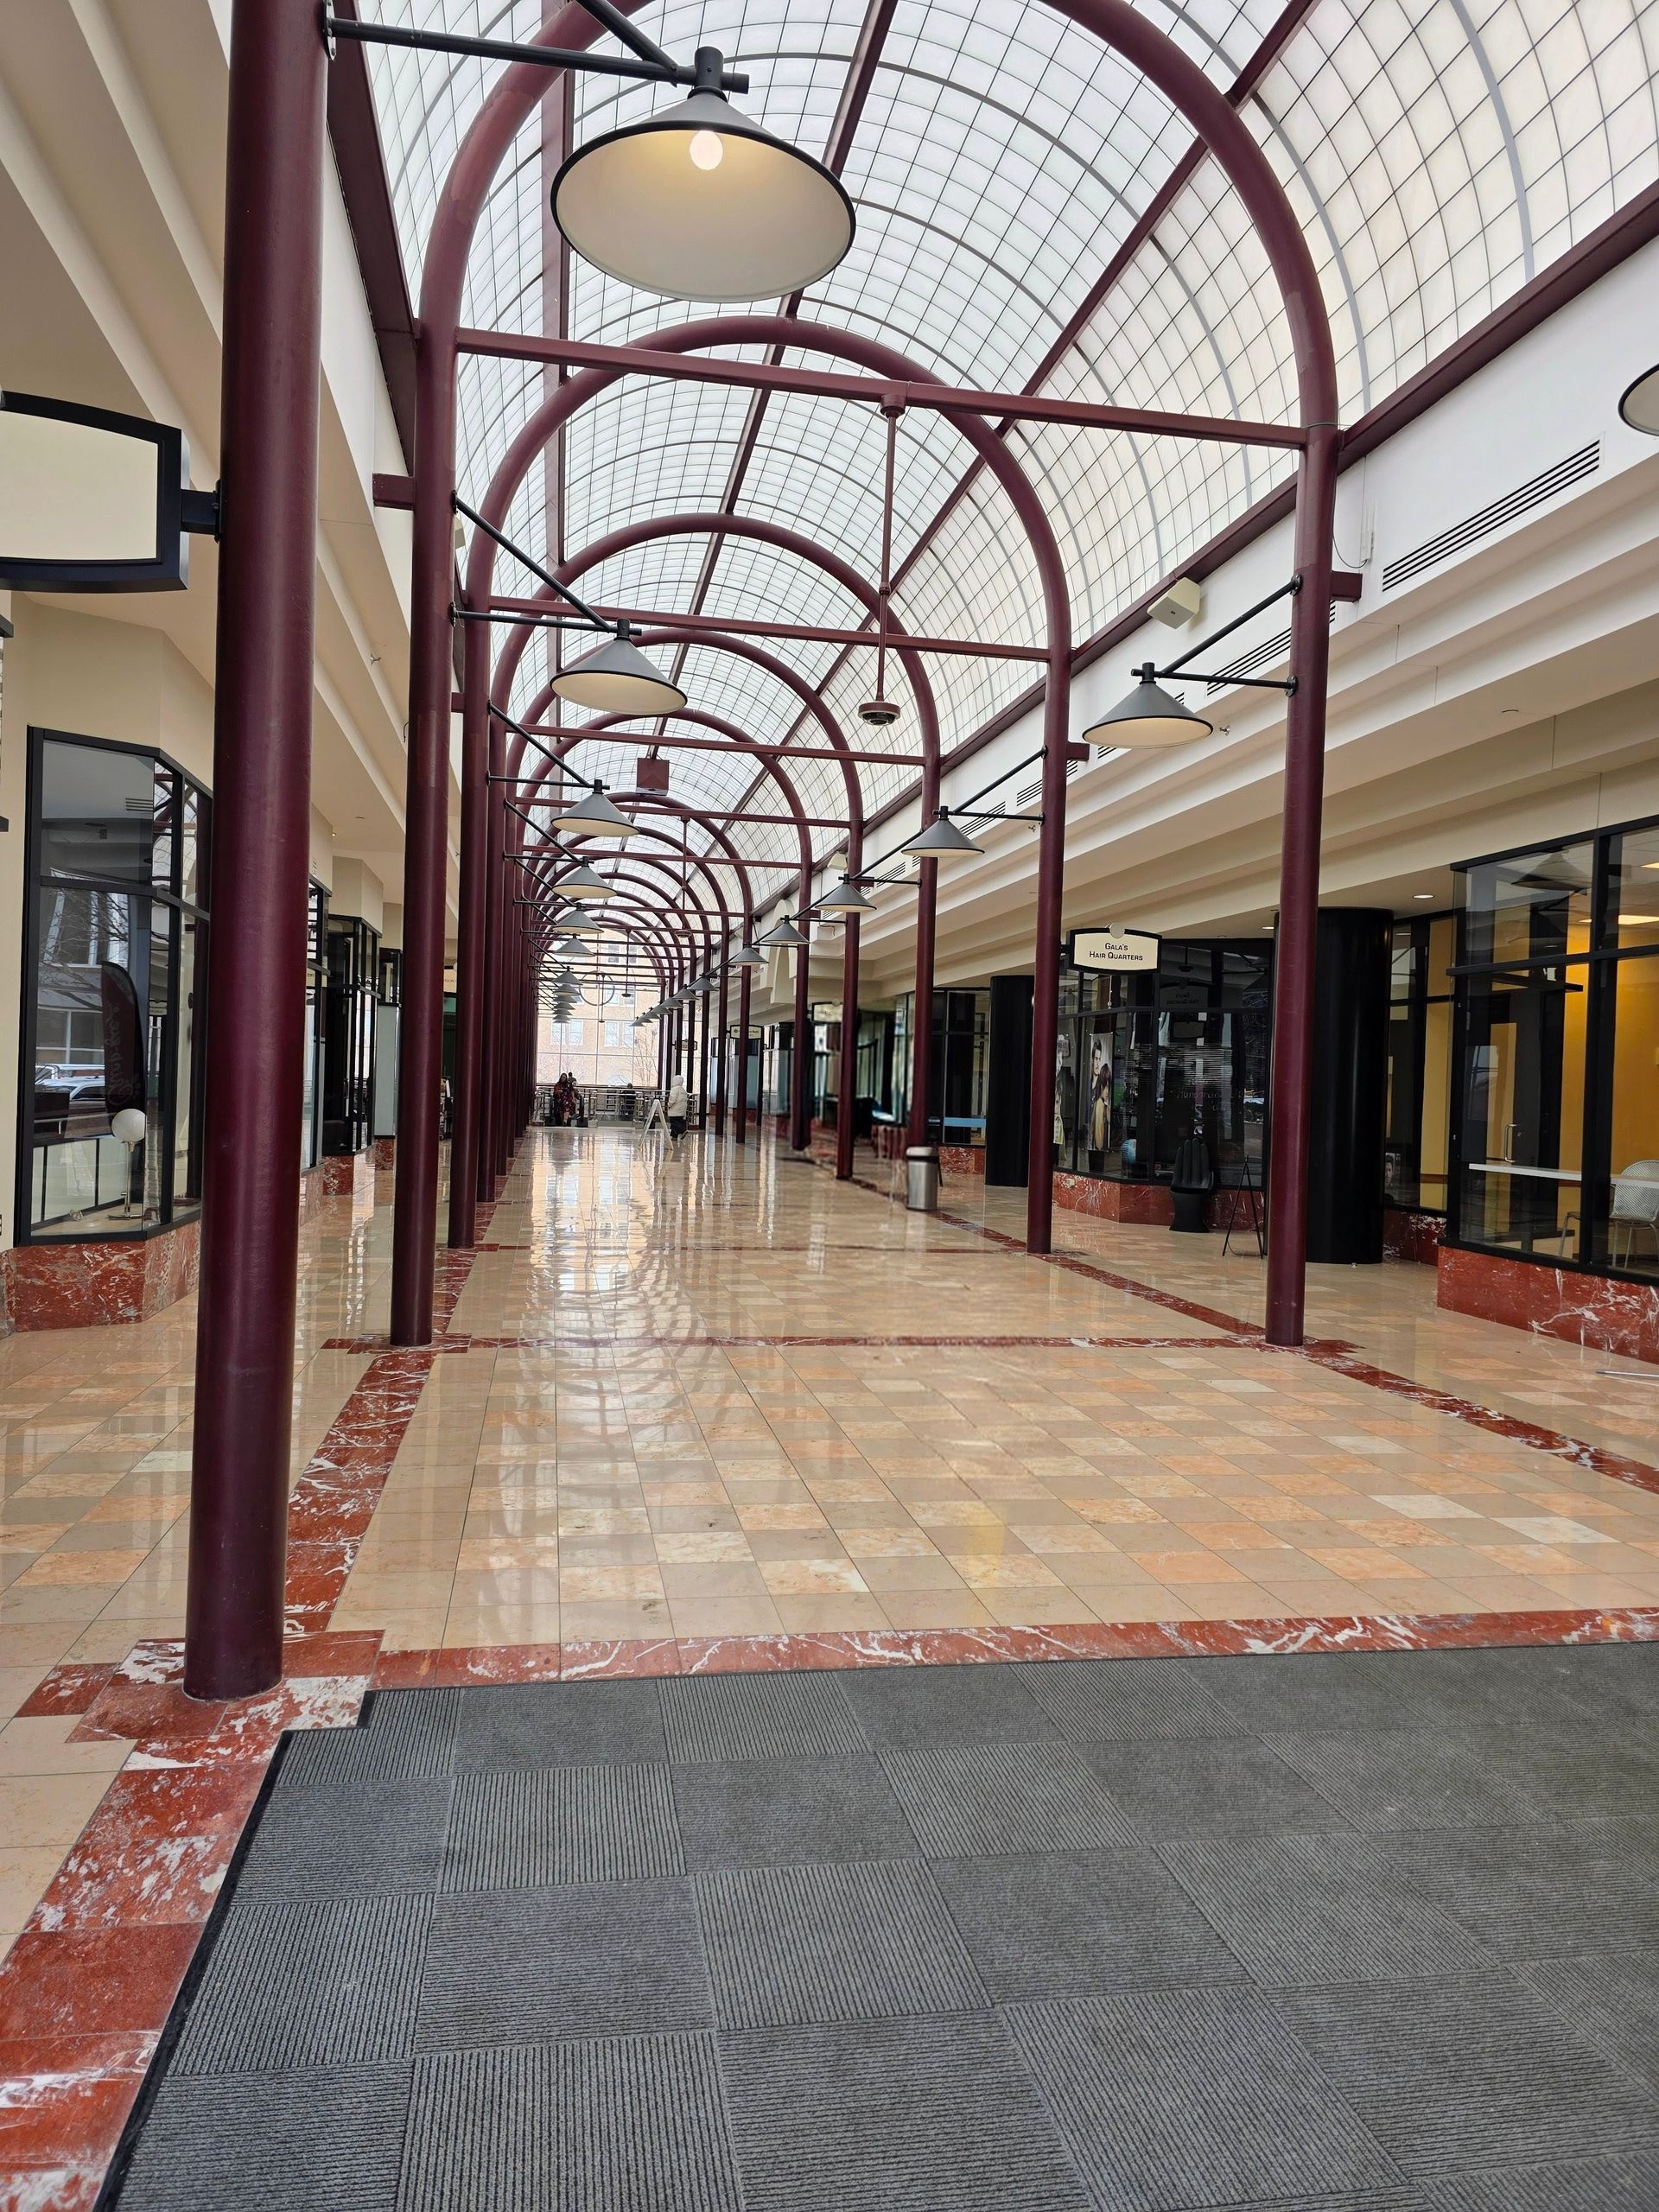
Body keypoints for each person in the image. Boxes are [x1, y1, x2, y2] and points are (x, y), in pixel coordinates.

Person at [664, 1069, 690, 1143]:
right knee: (678, 1121)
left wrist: (668, 1105)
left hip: (674, 1110)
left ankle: (682, 1131)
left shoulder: (674, 1089)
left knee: (674, 1123)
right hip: (681, 1110)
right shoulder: (683, 1090)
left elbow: (672, 1099)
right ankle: (674, 1136)